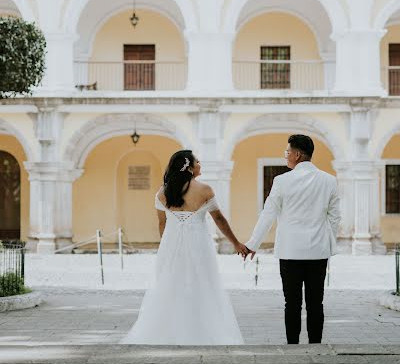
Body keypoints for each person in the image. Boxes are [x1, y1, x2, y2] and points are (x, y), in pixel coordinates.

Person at [120, 149, 246, 345]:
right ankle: (201, 330)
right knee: (202, 284)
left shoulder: (163, 192)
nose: (200, 164)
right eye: (198, 161)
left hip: (171, 245)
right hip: (199, 244)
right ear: (188, 166)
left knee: (170, 285)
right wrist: (236, 243)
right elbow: (219, 220)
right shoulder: (205, 190)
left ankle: (169, 330)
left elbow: (161, 224)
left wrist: (167, 246)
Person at [245, 134, 340, 345]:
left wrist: (252, 244)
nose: (285, 156)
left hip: (289, 251)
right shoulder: (329, 180)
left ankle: (292, 346)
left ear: (297, 155)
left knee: (292, 303)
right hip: (318, 251)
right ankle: (315, 344)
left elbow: (268, 214)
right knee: (316, 302)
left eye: (287, 152)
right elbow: (334, 217)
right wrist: (327, 242)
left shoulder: (281, 181)